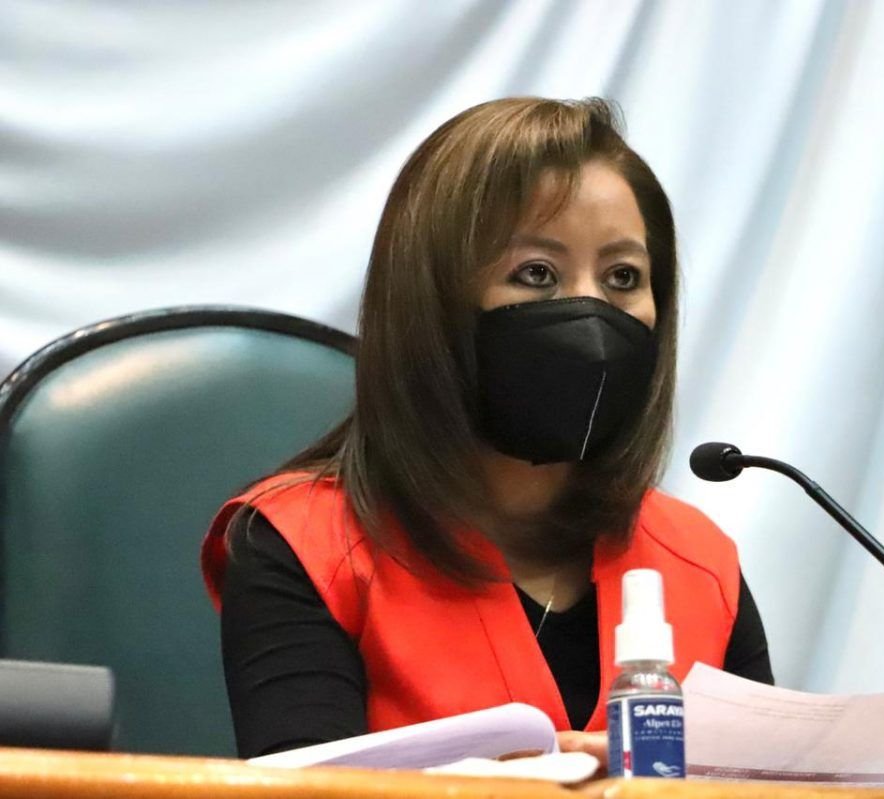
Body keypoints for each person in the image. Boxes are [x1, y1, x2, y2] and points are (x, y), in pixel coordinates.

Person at [200, 97, 773, 760]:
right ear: (432, 300)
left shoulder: (697, 561)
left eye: (623, 277)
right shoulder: (305, 545)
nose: (590, 311)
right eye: (537, 273)